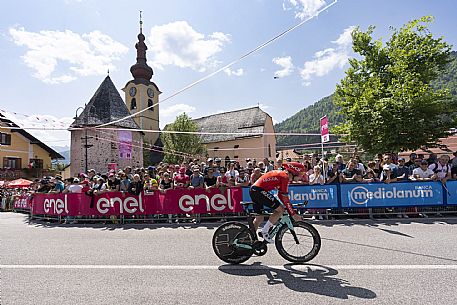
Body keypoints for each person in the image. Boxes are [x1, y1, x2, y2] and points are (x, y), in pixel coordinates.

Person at [249, 162, 305, 243]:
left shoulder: (282, 175)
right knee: (280, 210)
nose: (301, 176)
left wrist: (288, 207)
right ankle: (264, 231)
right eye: (300, 174)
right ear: (294, 172)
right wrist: (293, 214)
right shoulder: (285, 177)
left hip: (254, 190)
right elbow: (285, 198)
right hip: (258, 191)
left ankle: (249, 239)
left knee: (259, 218)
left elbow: (280, 195)